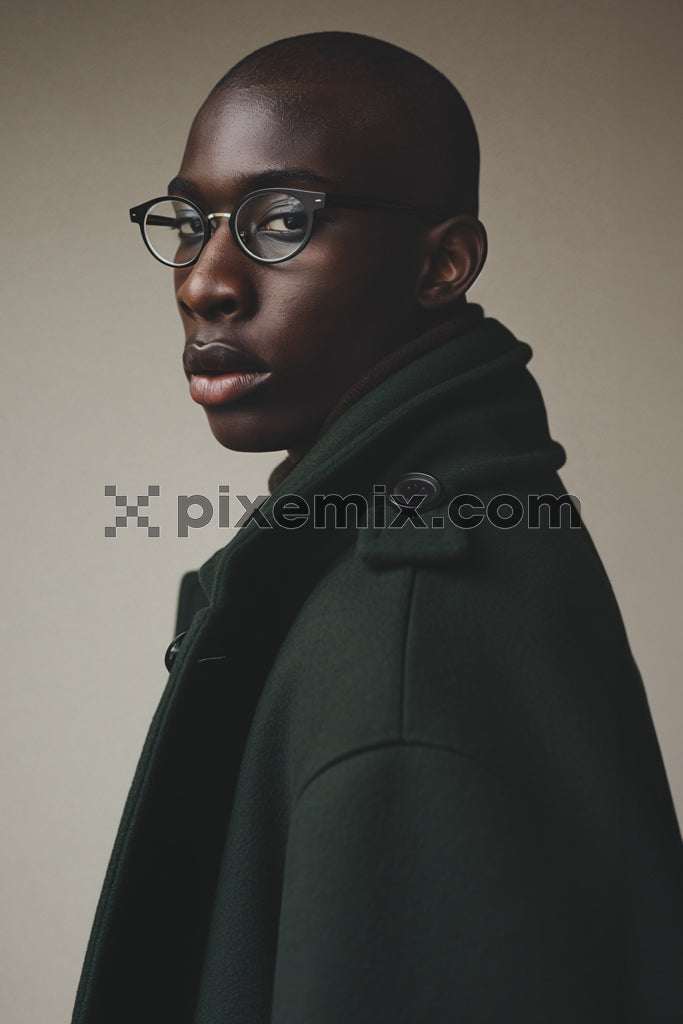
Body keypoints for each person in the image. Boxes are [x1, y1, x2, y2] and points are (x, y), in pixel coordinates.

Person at [72, 31, 683, 1024]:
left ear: (442, 262)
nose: (201, 283)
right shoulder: (431, 547)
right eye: (188, 223)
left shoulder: (408, 651)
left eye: (282, 219)